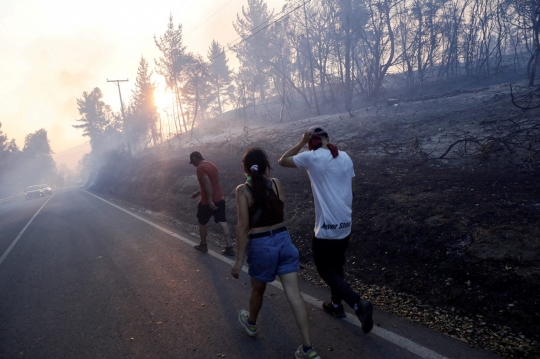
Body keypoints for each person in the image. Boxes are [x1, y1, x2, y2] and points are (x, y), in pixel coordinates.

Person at [278, 126, 374, 334]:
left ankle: (357, 304)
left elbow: (282, 160)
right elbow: (353, 188)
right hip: (345, 225)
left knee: (326, 270)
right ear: (328, 138)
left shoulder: (311, 157)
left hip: (326, 229)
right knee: (337, 267)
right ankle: (337, 306)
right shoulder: (345, 156)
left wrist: (302, 142)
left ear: (311, 142)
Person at [231, 147, 321, 359]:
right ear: (267, 166)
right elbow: (278, 207)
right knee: (295, 295)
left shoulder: (242, 191)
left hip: (262, 246)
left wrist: (238, 259)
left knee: (257, 290)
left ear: (245, 169)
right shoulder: (277, 183)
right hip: (284, 241)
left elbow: (243, 226)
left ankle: (251, 324)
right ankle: (308, 349)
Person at [189, 151, 235, 256]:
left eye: (193, 162)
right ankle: (229, 248)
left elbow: (208, 184)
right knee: (223, 222)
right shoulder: (211, 165)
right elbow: (212, 183)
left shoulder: (200, 169)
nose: (193, 165)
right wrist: (197, 193)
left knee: (202, 222)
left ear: (196, 159)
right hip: (220, 199)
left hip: (207, 202)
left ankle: (203, 245)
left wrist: (209, 201)